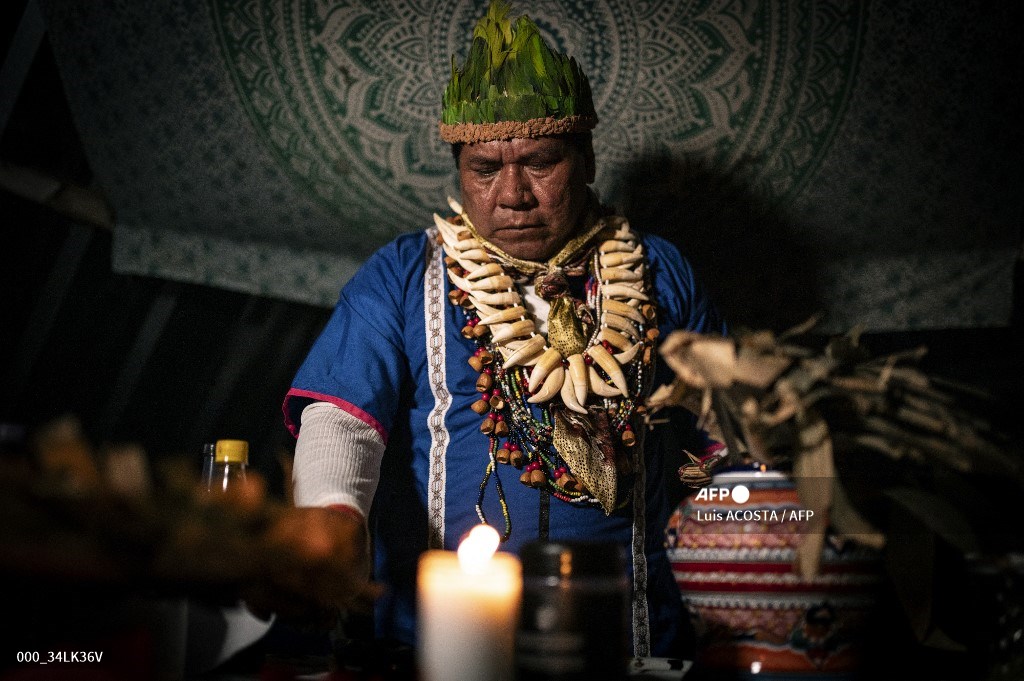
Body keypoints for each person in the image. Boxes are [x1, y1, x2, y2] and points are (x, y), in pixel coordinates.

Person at [282, 1, 726, 658]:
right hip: (434, 648)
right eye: (485, 169)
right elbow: (341, 419)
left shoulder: (659, 271)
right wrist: (333, 513)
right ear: (460, 171)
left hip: (630, 644)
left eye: (540, 162)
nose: (512, 194)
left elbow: (727, 438)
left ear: (588, 160)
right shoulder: (405, 273)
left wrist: (726, 576)